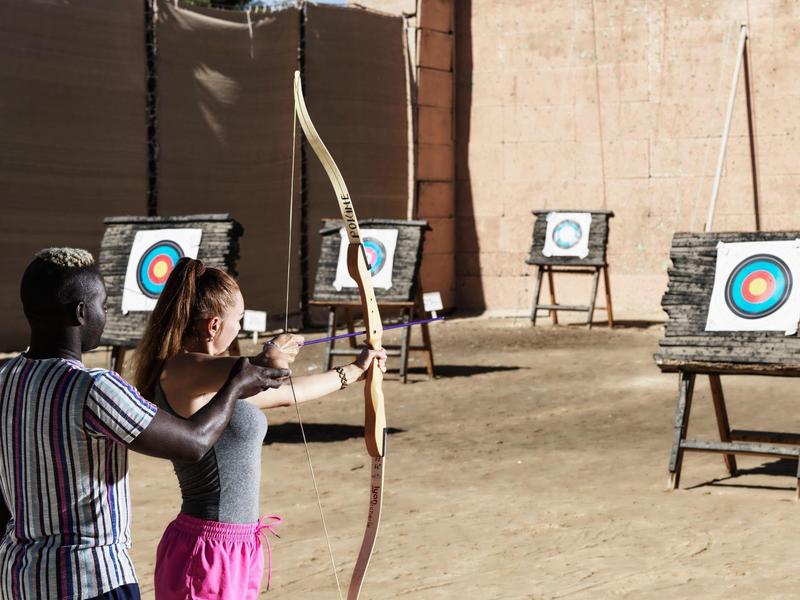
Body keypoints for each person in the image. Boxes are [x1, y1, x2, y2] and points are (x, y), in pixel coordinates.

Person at [0, 248, 291, 600]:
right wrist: (235, 385)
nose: (104, 315)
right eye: (103, 306)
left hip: (20, 579)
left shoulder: (4, 378)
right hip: (93, 580)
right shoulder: (94, 388)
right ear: (81, 312)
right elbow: (193, 443)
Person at [132, 257, 386, 600]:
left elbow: (285, 394)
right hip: (207, 548)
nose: (240, 328)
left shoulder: (223, 384)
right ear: (213, 326)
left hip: (239, 544)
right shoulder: (183, 368)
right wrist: (274, 355)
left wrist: (355, 371)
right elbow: (267, 370)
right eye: (238, 320)